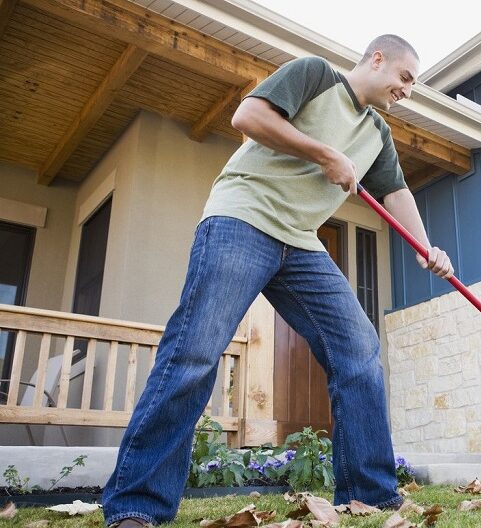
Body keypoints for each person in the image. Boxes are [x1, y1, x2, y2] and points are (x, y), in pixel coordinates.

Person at [102, 34, 454, 528]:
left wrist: (425, 249)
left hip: (301, 242)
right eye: (405, 78)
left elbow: (396, 196)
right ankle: (137, 505)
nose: (407, 91)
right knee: (195, 354)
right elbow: (247, 118)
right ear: (377, 59)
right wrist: (324, 155)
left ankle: (370, 493)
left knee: (358, 350)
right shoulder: (314, 75)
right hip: (242, 218)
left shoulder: (377, 133)